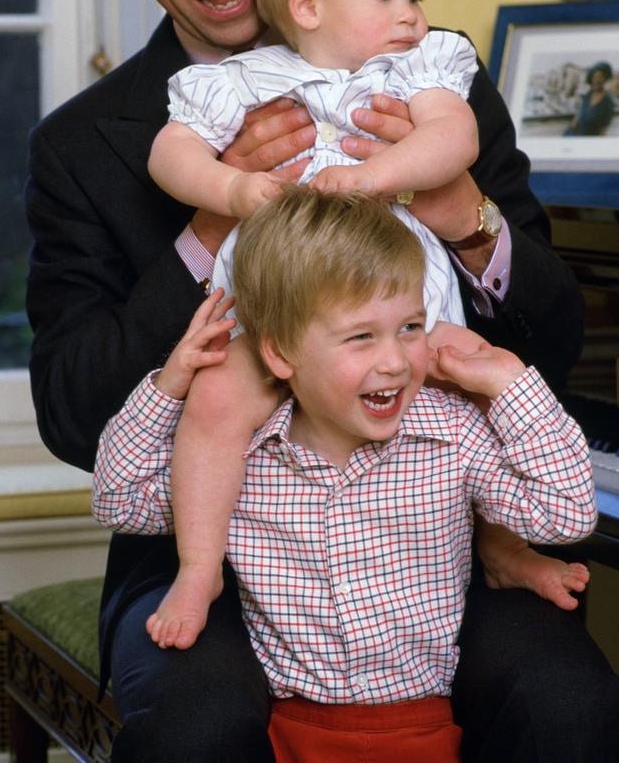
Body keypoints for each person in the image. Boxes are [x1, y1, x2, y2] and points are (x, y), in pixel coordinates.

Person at [24, 0, 619, 762]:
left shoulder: (426, 69)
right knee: (197, 729)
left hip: (434, 521)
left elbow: (550, 343)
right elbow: (73, 414)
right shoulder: (85, 147)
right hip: (211, 537)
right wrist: (217, 224)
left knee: (567, 703)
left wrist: (464, 220)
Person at [92, 186, 597, 763]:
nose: (394, 360)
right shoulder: (239, 461)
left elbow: (566, 512)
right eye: (361, 337)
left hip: (425, 733)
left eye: (410, 327)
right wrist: (171, 383)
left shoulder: (449, 435)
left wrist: (509, 381)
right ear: (280, 355)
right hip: (286, 736)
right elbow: (119, 501)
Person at [145, 0, 482, 647]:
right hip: (274, 311)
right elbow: (172, 152)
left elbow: (453, 140)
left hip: (396, 307)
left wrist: (373, 178)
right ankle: (200, 566)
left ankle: (499, 545)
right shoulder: (246, 81)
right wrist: (231, 186)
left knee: (468, 400)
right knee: (216, 407)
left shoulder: (419, 67)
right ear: (308, 5)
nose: (414, 15)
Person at [563, 61, 616, 136]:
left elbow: (603, 130)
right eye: (593, 77)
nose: (596, 80)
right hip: (573, 134)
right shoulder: (587, 94)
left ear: (605, 78)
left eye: (599, 77)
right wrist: (572, 126)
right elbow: (579, 114)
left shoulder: (608, 101)